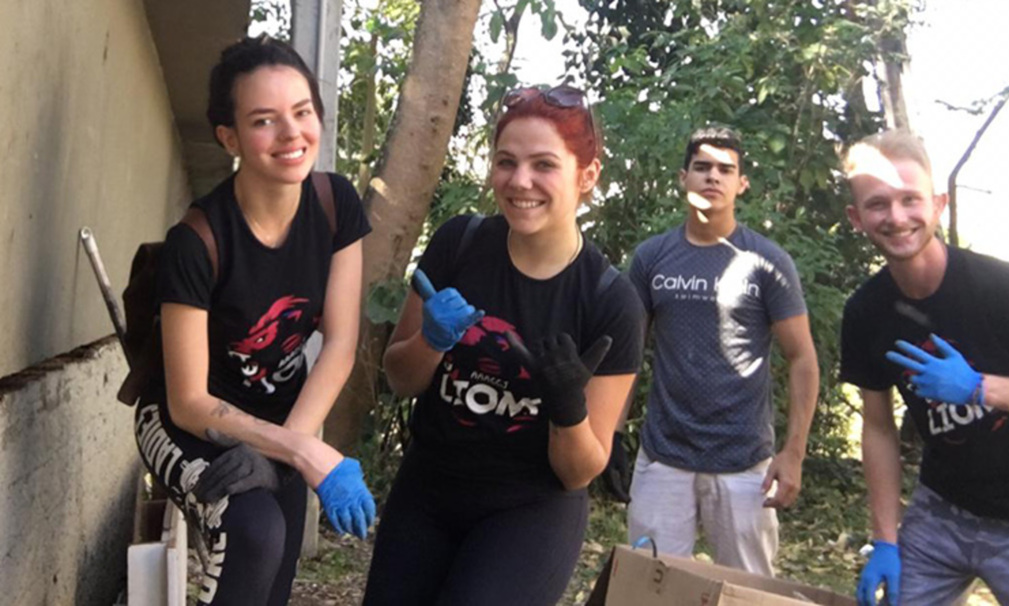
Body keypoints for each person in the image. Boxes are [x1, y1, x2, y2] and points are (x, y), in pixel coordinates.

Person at [362, 84, 644, 605]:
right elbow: (400, 378)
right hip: (429, 488)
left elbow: (579, 469)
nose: (520, 182)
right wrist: (430, 339)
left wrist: (567, 407)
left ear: (587, 176)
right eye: (506, 162)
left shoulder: (610, 301)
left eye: (544, 165)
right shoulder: (459, 245)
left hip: (529, 508)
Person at [132, 36, 375, 606]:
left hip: (279, 416)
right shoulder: (197, 242)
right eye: (265, 120)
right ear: (230, 137)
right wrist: (305, 452)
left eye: (302, 112)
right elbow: (189, 401)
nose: (292, 134)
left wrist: (291, 446)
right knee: (255, 532)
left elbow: (340, 340)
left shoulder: (335, 204)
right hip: (186, 421)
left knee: (275, 573)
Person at [624, 126, 819, 576]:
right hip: (663, 458)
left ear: (741, 183)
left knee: (749, 595)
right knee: (650, 590)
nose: (713, 177)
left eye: (725, 169)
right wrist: (610, 437)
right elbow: (628, 356)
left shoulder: (767, 261)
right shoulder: (652, 257)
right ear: (683, 177)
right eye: (703, 167)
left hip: (745, 464)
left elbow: (803, 358)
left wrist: (793, 453)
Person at [841, 130, 1009, 606]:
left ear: (938, 204)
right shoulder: (866, 312)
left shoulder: (1006, 289)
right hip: (942, 512)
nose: (897, 217)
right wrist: (884, 539)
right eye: (878, 204)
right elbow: (878, 429)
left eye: (910, 199)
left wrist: (980, 388)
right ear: (857, 218)